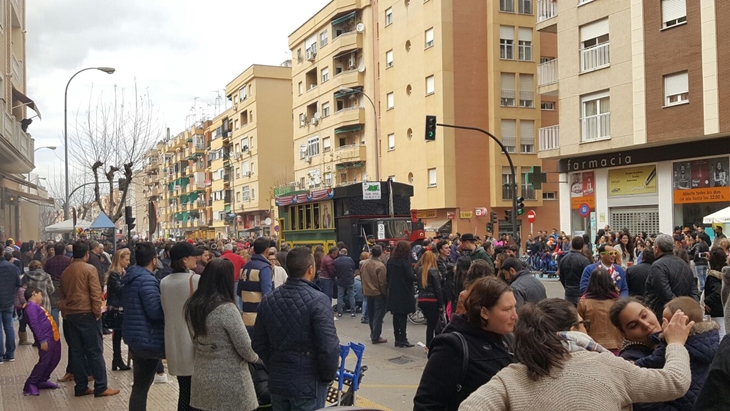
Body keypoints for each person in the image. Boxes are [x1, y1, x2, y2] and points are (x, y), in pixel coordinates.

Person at [459, 298, 695, 411]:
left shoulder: (511, 377)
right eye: (583, 324)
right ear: (574, 329)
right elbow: (675, 382)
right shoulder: (608, 365)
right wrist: (675, 343)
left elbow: (470, 408)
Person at [252, 247, 340, 411]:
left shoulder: (269, 299)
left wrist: (274, 365)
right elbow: (329, 346)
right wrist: (327, 377)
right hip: (308, 383)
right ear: (310, 269)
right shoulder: (318, 300)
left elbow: (258, 343)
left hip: (278, 381)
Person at [414, 277, 517, 411]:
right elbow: (426, 403)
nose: (515, 315)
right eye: (507, 309)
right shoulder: (452, 347)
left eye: (515, 307)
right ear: (484, 312)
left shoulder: (507, 338)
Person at [184, 258, 260, 411]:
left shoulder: (193, 305)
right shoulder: (227, 309)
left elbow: (195, 340)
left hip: (202, 378)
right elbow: (245, 348)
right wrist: (257, 359)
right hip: (231, 383)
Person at [633, 297, 719, 410]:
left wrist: (633, 365)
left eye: (667, 321)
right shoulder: (708, 340)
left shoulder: (670, 344)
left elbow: (654, 360)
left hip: (680, 400)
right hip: (701, 398)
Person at [58, 241, 118, 397]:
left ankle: (81, 386)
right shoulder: (90, 269)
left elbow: (62, 295)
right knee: (95, 352)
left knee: (77, 352)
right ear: (86, 254)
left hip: (71, 315)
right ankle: (101, 386)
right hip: (87, 314)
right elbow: (95, 293)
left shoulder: (66, 272)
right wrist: (97, 313)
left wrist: (65, 312)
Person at [122, 242, 166, 410]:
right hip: (148, 337)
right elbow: (154, 312)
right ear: (153, 260)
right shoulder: (147, 280)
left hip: (135, 336)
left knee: (139, 386)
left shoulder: (131, 278)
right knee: (142, 386)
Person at [160, 241, 202, 407]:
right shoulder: (196, 280)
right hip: (192, 343)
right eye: (193, 256)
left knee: (184, 390)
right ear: (185, 260)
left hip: (173, 342)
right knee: (196, 394)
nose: (197, 259)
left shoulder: (164, 282)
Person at [645, 234, 699, 319]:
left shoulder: (657, 266)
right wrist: (691, 308)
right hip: (684, 313)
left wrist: (678, 309)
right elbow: (693, 289)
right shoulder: (683, 263)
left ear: (657, 249)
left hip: (664, 313)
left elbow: (664, 293)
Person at [21, 288, 61, 396]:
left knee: (55, 358)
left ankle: (42, 379)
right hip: (46, 338)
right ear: (34, 293)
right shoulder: (31, 306)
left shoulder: (35, 307)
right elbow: (34, 324)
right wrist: (42, 339)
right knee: (45, 360)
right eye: (41, 295)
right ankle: (31, 383)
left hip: (52, 337)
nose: (42, 298)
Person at [577, 268, 623, 354]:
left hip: (592, 345)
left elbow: (579, 325)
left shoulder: (584, 302)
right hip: (615, 344)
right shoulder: (617, 302)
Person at [238, 237, 273, 336]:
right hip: (259, 318)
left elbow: (239, 293)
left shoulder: (245, 267)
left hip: (245, 316)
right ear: (267, 250)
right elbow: (267, 294)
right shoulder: (264, 268)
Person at [387, 241, 418, 347]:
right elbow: (411, 277)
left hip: (393, 291)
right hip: (404, 292)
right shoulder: (405, 262)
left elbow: (387, 276)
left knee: (396, 316)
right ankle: (403, 338)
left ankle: (397, 338)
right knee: (403, 316)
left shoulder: (391, 261)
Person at [106, 248, 131, 371]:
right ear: (120, 260)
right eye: (126, 260)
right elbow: (118, 289)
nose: (128, 262)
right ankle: (117, 358)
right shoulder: (115, 274)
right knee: (118, 333)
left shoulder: (122, 272)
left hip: (121, 306)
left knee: (119, 334)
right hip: (116, 308)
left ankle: (117, 359)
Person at [20, 260, 54, 345]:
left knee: (34, 321)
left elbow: (22, 286)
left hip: (32, 301)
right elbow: (51, 289)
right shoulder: (47, 276)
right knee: (44, 321)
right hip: (44, 301)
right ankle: (44, 340)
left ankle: (37, 340)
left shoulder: (27, 276)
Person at [360, 245, 388, 344]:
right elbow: (382, 283)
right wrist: (385, 293)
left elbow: (362, 277)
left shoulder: (365, 264)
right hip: (377, 293)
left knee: (371, 314)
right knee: (378, 315)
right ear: (380, 253)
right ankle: (376, 336)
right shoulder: (380, 266)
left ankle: (373, 333)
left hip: (367, 292)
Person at [416, 251, 443, 350]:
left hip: (422, 299)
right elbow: (438, 289)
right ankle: (435, 345)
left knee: (430, 324)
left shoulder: (420, 270)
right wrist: (440, 305)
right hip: (432, 300)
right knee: (435, 324)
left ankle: (429, 345)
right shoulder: (434, 270)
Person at [44, 242, 70, 328]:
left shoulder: (49, 261)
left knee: (54, 308)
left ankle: (55, 330)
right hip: (66, 285)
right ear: (63, 250)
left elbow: (45, 273)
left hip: (53, 285)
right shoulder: (68, 260)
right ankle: (67, 327)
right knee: (66, 307)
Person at [558, 236, 591, 305]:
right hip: (580, 291)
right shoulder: (584, 260)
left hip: (569, 291)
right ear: (582, 246)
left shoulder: (564, 259)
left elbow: (561, 276)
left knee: (570, 313)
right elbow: (588, 277)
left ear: (572, 245)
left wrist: (566, 286)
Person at [0, 253, 20, 363]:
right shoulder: (12, 267)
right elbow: (18, 283)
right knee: (9, 327)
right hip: (9, 301)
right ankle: (10, 353)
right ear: (3, 253)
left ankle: (0, 356)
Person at [704, 247, 726, 338]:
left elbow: (717, 292)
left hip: (717, 309)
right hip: (724, 307)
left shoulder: (713, 276)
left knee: (720, 333)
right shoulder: (725, 272)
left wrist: (707, 301)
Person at [334, 248, 357, 317]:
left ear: (340, 252)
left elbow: (335, 270)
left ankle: (340, 312)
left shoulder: (336, 261)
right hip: (350, 280)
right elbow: (353, 267)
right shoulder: (350, 259)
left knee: (340, 296)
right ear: (346, 253)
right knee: (351, 296)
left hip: (340, 280)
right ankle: (353, 312)